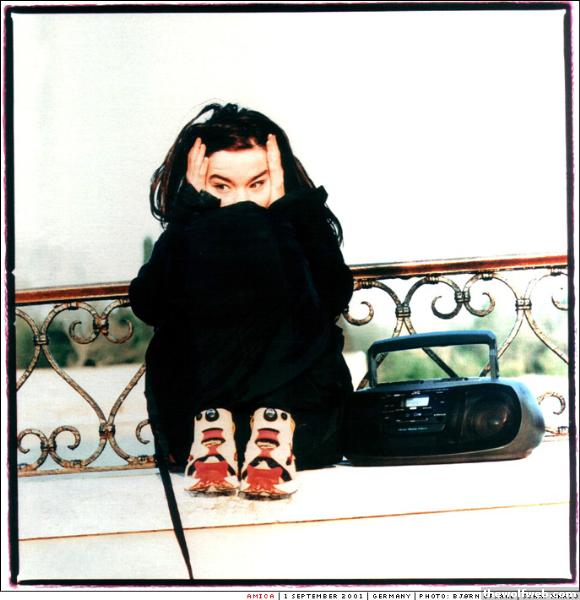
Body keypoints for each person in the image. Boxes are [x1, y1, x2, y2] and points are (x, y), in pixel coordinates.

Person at [129, 102, 353, 499]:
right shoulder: (191, 234)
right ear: (197, 184)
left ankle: (260, 421)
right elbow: (149, 304)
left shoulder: (297, 223)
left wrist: (288, 215)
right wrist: (187, 221)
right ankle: (229, 425)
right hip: (205, 429)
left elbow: (333, 295)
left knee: (254, 237)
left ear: (279, 178)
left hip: (299, 422)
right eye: (221, 187)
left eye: (256, 184)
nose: (240, 201)